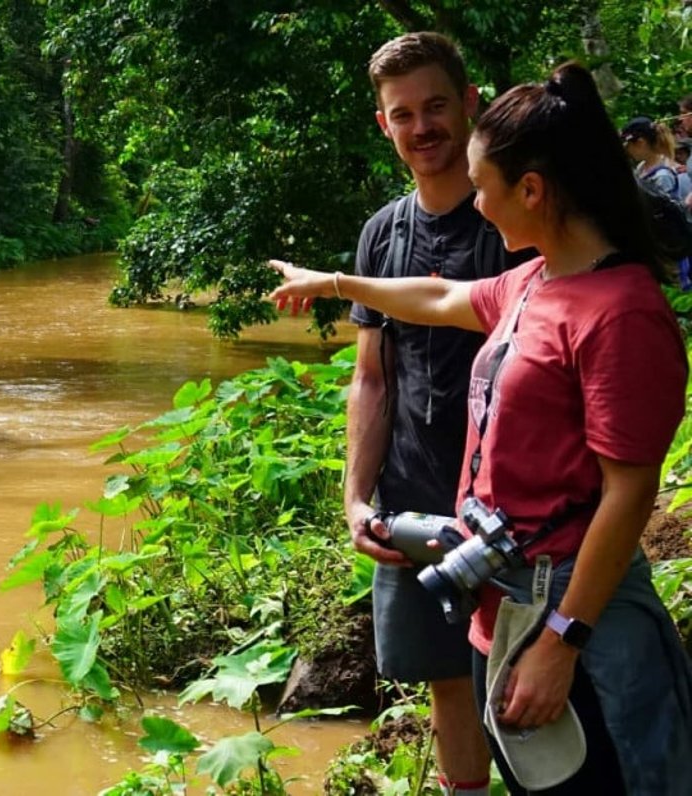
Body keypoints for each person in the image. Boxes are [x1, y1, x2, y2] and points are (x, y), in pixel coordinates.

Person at [270, 62, 692, 794]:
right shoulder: (534, 281)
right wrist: (333, 284)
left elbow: (628, 495)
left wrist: (563, 639)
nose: (480, 210)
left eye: (484, 189)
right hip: (501, 600)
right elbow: (436, 295)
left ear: (530, 190)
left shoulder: (621, 314)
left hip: (571, 612)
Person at [345, 32, 530, 796]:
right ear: (384, 127)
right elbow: (373, 380)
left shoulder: (518, 222)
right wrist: (356, 496)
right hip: (416, 499)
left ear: (471, 105)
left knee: (524, 679)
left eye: (436, 107)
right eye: (402, 114)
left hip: (517, 507)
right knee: (447, 683)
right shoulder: (381, 234)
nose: (422, 128)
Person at [622, 115, 680, 198]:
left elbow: (664, 208)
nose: (628, 150)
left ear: (640, 143)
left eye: (628, 146)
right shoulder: (642, 166)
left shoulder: (662, 176)